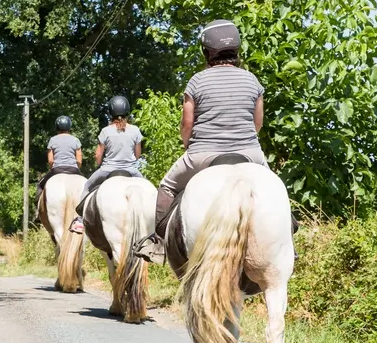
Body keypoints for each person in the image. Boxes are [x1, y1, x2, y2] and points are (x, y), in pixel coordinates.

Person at [134, 19, 270, 263]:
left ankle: (158, 244)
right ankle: (287, 238)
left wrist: (188, 145)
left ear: (206, 51)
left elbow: (187, 125)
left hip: (203, 154)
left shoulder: (196, 81)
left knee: (166, 185)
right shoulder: (252, 81)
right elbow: (257, 124)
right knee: (274, 187)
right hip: (251, 153)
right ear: (236, 49)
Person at [69, 95, 145, 234]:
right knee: (150, 189)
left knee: (87, 186)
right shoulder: (135, 130)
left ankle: (80, 219)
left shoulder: (106, 131)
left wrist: (98, 162)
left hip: (108, 169)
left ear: (111, 112)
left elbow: (98, 155)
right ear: (127, 110)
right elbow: (138, 154)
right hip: (131, 169)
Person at [34, 115, 83, 206]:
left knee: (40, 185)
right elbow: (79, 161)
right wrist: (76, 167)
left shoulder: (52, 140)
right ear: (69, 126)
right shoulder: (76, 140)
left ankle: (38, 208)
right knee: (87, 186)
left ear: (57, 127)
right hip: (73, 169)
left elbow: (50, 161)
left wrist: (53, 167)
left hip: (57, 170)